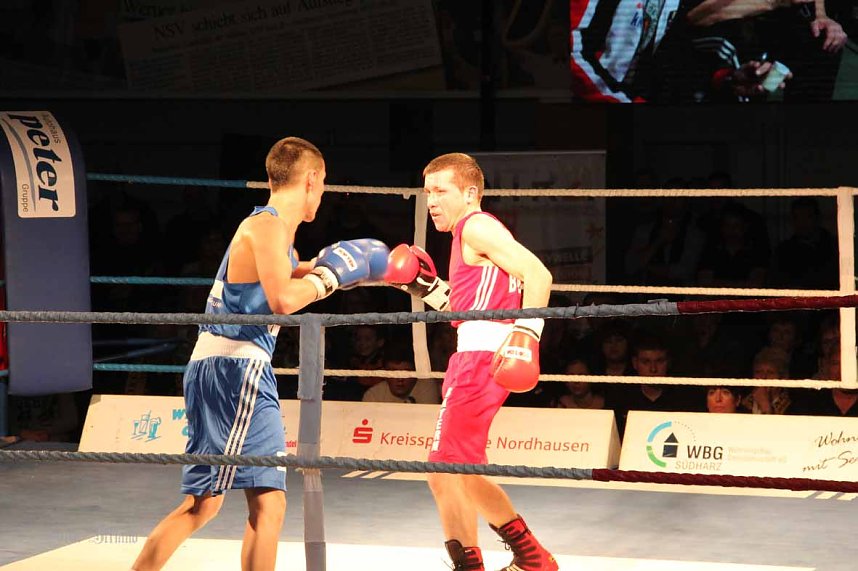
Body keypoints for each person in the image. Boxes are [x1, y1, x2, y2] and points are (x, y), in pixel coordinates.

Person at [131, 137, 388, 571]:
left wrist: (361, 269)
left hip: (231, 369)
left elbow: (298, 271)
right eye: (322, 183)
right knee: (235, 505)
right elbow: (285, 299)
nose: (322, 195)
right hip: (236, 371)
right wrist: (328, 279)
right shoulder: (266, 227)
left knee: (236, 505)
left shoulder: (275, 236)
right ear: (310, 180)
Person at [384, 153, 557, 571]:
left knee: (450, 467)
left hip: (481, 357)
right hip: (476, 351)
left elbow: (540, 276)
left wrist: (527, 336)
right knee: (446, 470)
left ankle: (531, 558)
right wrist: (425, 287)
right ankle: (489, 562)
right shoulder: (472, 234)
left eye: (441, 191)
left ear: (470, 193)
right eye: (428, 193)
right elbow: (471, 308)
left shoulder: (475, 226)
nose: (432, 202)